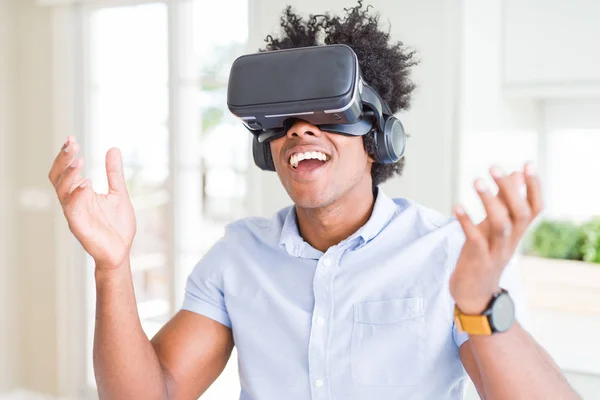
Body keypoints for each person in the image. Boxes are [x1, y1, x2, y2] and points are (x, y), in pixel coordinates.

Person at [48, 3, 579, 400]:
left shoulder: (449, 257)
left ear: (378, 138)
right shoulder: (239, 257)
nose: (301, 129)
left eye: (326, 112)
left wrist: (480, 306)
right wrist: (111, 268)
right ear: (267, 145)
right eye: (284, 119)